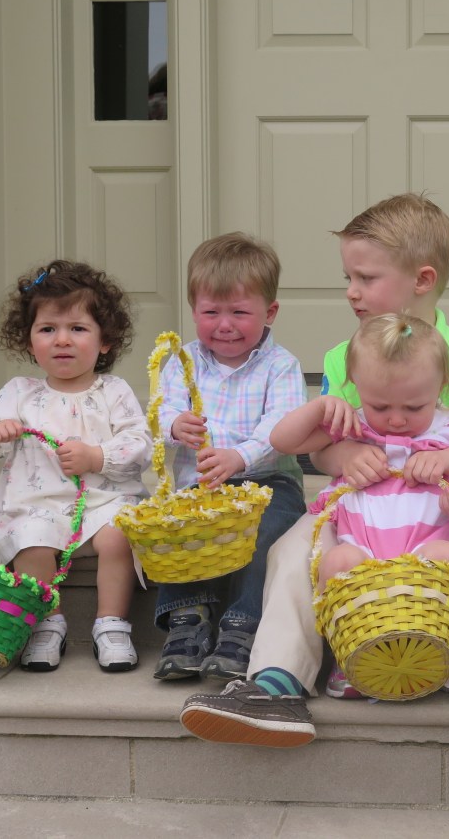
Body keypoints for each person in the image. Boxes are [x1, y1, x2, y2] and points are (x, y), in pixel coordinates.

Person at [179, 192, 449, 769]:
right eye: (349, 277)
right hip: (357, 511)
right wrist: (345, 456)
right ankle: (276, 685)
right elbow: (322, 444)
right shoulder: (345, 355)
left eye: (365, 277)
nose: (351, 291)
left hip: (441, 513)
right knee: (293, 551)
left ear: (422, 279)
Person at [0, 260, 152, 673]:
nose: (62, 340)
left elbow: (140, 444)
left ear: (105, 341)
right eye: (47, 329)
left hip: (103, 502)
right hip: (39, 506)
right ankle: (47, 622)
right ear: (29, 342)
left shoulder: (113, 391)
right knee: (31, 540)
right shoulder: (20, 393)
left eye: (77, 328)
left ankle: (111, 624)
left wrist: (97, 457)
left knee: (121, 534)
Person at [151, 232, 308, 682]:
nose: (224, 325)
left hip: (267, 483)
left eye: (239, 313)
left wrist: (239, 457)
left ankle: (242, 624)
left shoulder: (280, 366)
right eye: (210, 312)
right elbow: (159, 411)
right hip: (197, 488)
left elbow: (282, 427)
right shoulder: (183, 362)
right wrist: (173, 424)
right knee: (176, 530)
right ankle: (187, 619)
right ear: (193, 311)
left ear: (269, 312)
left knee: (264, 532)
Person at [271, 313, 449, 592]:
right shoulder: (353, 424)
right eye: (380, 407)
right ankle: (341, 618)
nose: (396, 420)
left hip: (428, 548)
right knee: (337, 560)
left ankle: (427, 618)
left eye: (414, 408)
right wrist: (320, 406)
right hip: (357, 548)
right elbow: (282, 442)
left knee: (448, 557)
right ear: (356, 385)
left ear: (442, 386)